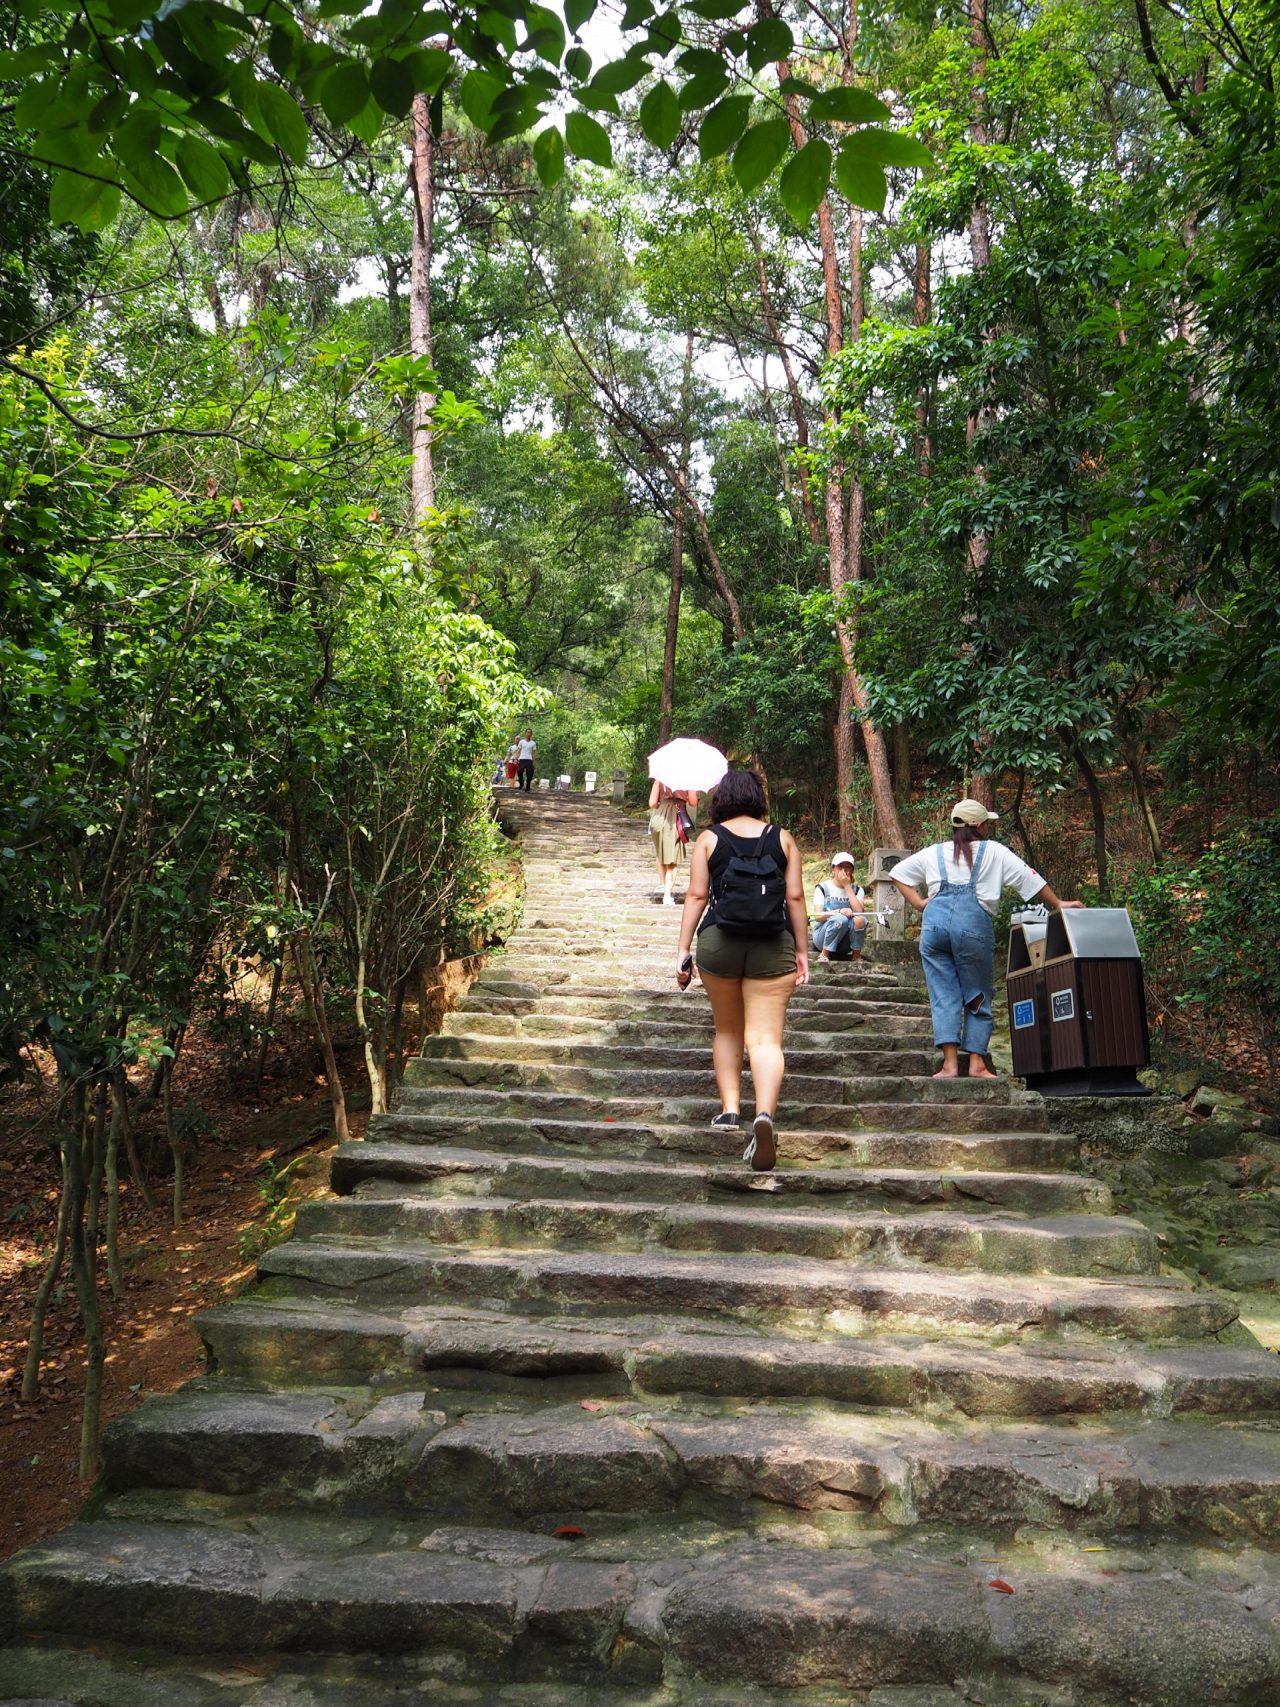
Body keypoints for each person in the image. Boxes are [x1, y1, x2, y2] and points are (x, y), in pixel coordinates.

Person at [892, 798, 1085, 1080]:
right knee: (978, 993)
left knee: (943, 995)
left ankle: (948, 1066)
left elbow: (897, 873)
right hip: (971, 927)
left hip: (933, 928)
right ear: (980, 826)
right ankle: (976, 1064)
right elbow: (1028, 878)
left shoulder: (933, 852)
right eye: (987, 823)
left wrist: (921, 904)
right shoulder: (993, 850)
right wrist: (1058, 903)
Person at [676, 768, 809, 1171]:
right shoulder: (782, 838)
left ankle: (731, 1110)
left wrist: (683, 950)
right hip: (774, 943)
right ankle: (764, 1115)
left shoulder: (709, 839)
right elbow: (797, 896)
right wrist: (803, 950)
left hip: (720, 941)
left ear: (722, 799)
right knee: (766, 1039)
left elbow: (698, 894)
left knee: (728, 1029)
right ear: (757, 796)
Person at [648, 780, 697, 906]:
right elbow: (693, 802)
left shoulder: (659, 780)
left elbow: (652, 803)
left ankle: (663, 884)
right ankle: (667, 895)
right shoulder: (687, 780)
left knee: (661, 853)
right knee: (672, 861)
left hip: (659, 818)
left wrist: (662, 800)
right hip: (675, 818)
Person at [811, 852, 867, 963]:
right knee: (840, 919)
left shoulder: (857, 890)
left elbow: (859, 911)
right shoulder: (822, 888)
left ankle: (856, 956)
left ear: (852, 871)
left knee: (860, 920)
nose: (844, 871)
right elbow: (818, 916)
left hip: (846, 940)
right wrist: (839, 911)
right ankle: (824, 954)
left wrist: (847, 886)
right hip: (823, 937)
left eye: (848, 867)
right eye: (840, 867)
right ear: (833, 870)